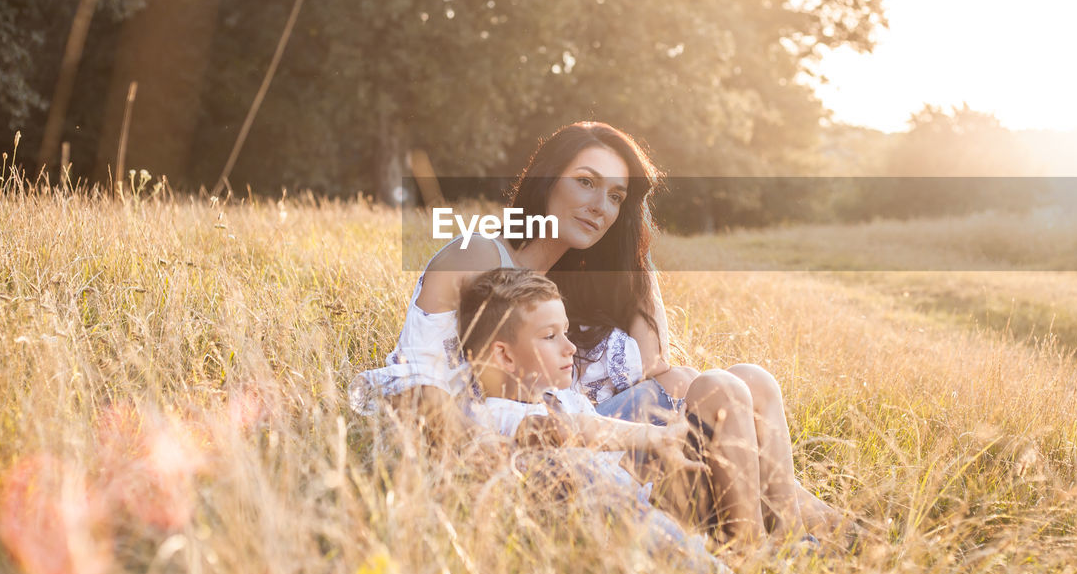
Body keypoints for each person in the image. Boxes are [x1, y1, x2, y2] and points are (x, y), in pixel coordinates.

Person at [348, 122, 842, 541]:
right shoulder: (480, 255)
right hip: (518, 445)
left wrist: (635, 254)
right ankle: (777, 538)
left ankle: (796, 523)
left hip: (591, 437)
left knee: (748, 379)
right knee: (723, 387)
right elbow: (417, 381)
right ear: (547, 181)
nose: (600, 206)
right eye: (585, 182)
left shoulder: (571, 287)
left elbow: (658, 369)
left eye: (616, 197)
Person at [460, 266, 825, 547]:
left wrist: (667, 453)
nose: (570, 347)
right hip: (640, 517)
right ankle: (751, 550)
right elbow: (561, 430)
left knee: (751, 377)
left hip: (652, 489)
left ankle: (791, 536)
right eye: (550, 337)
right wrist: (655, 438)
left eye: (566, 332)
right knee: (719, 388)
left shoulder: (563, 397)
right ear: (504, 356)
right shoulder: (497, 415)